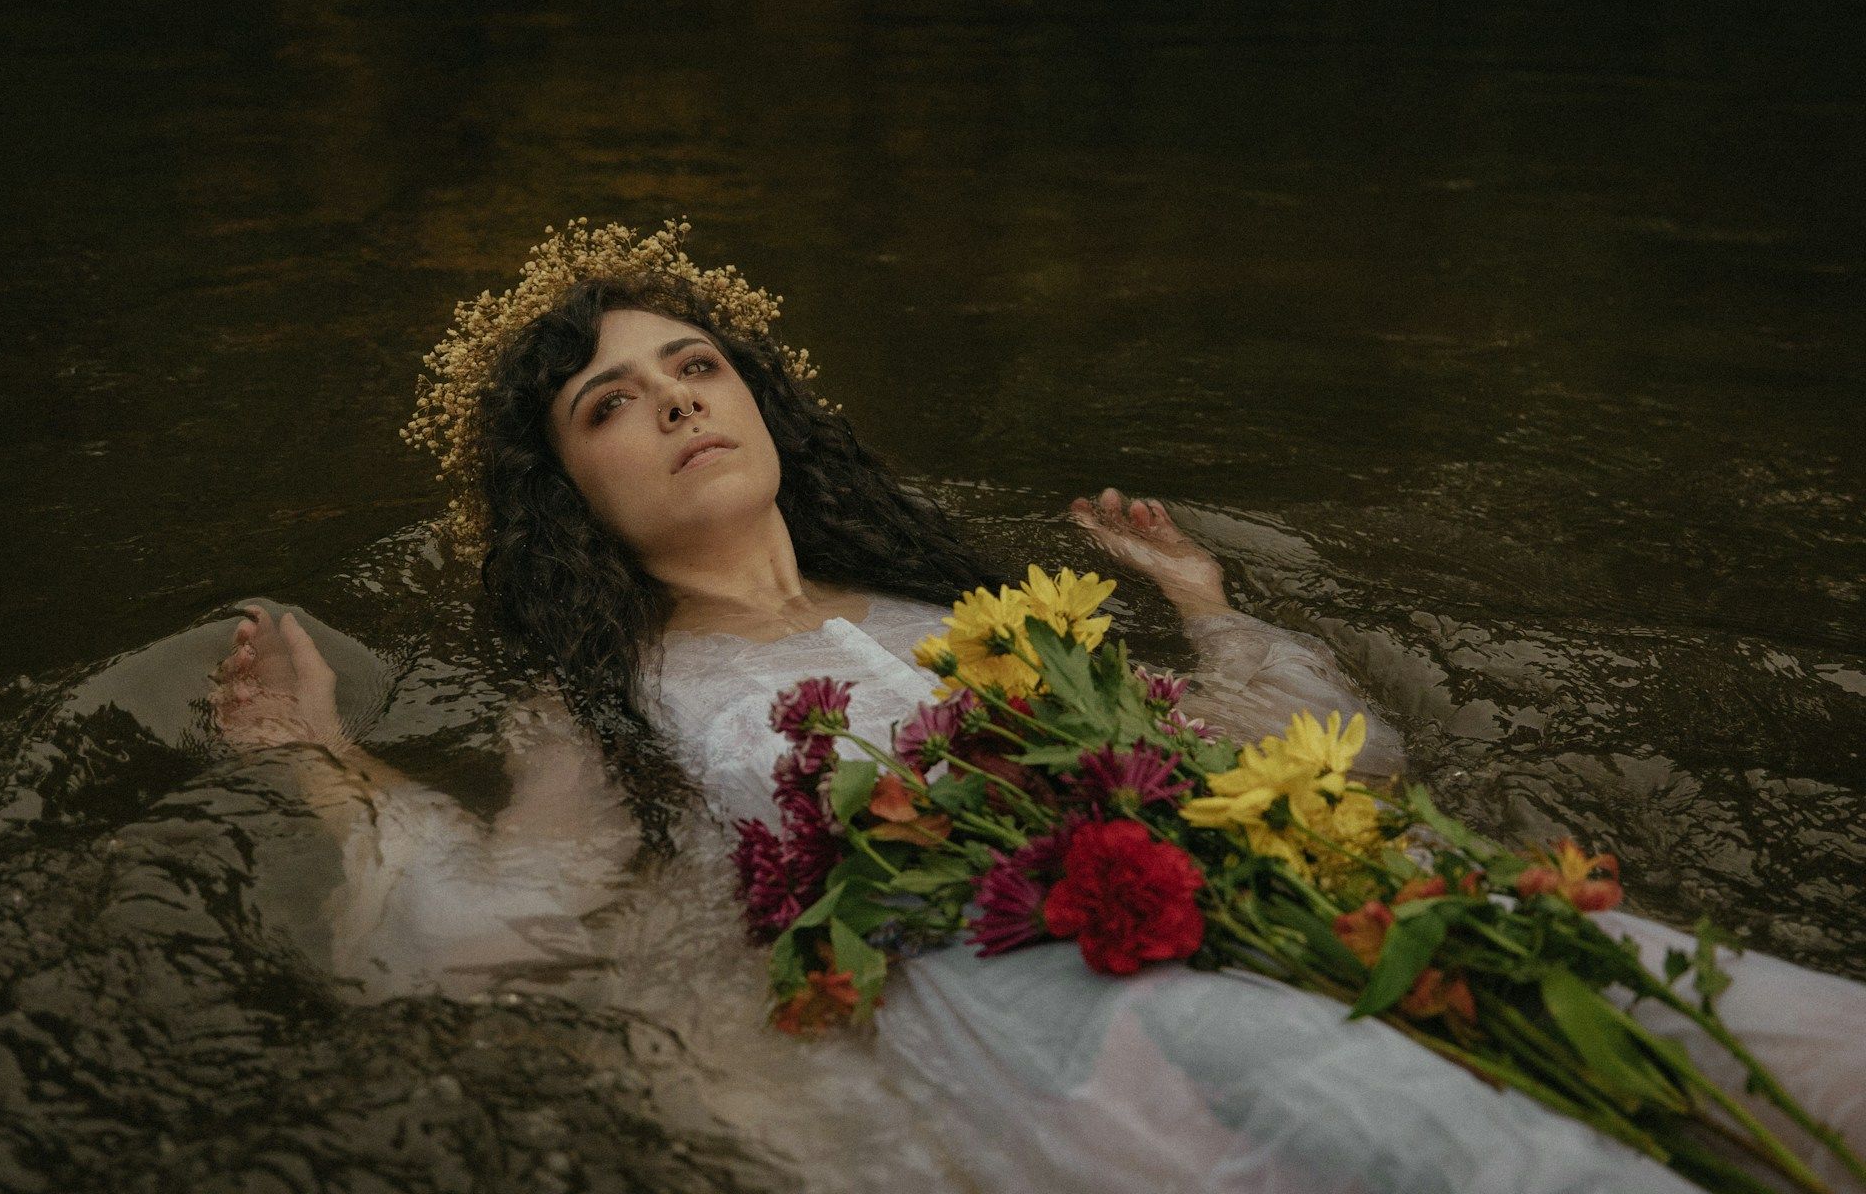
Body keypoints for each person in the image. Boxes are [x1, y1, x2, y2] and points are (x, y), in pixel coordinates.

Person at [210, 222, 1865, 1193]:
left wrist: (1210, 617)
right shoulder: (611, 705)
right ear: (575, 495)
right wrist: (324, 768)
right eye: (613, 405)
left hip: (1279, 892)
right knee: (1446, 1141)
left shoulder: (968, 611)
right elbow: (507, 932)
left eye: (696, 365)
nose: (678, 405)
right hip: (1042, 998)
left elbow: (1317, 767)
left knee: (1734, 1017)